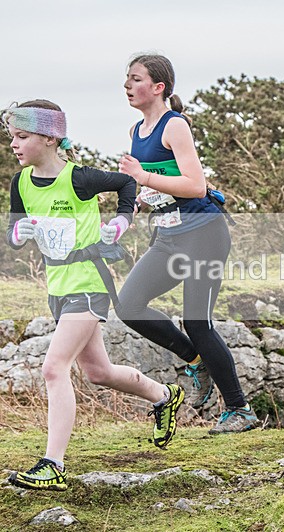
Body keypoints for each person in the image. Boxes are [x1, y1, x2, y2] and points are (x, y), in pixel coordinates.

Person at [3, 100, 184, 491]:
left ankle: (53, 465)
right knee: (98, 373)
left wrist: (121, 221)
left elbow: (126, 184)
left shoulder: (79, 178)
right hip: (57, 289)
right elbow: (12, 232)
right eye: (12, 138)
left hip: (89, 284)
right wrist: (20, 234)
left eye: (22, 137)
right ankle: (163, 395)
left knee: (54, 367)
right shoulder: (20, 183)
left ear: (50, 138)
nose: (14, 145)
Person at [116, 54, 257, 433]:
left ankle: (239, 410)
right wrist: (135, 202)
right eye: (126, 79)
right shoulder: (136, 130)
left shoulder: (173, 126)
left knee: (197, 319)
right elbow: (161, 186)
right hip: (168, 235)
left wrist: (143, 175)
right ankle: (194, 359)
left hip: (203, 233)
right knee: (128, 305)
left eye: (135, 79)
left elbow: (195, 185)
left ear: (158, 87)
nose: (127, 85)